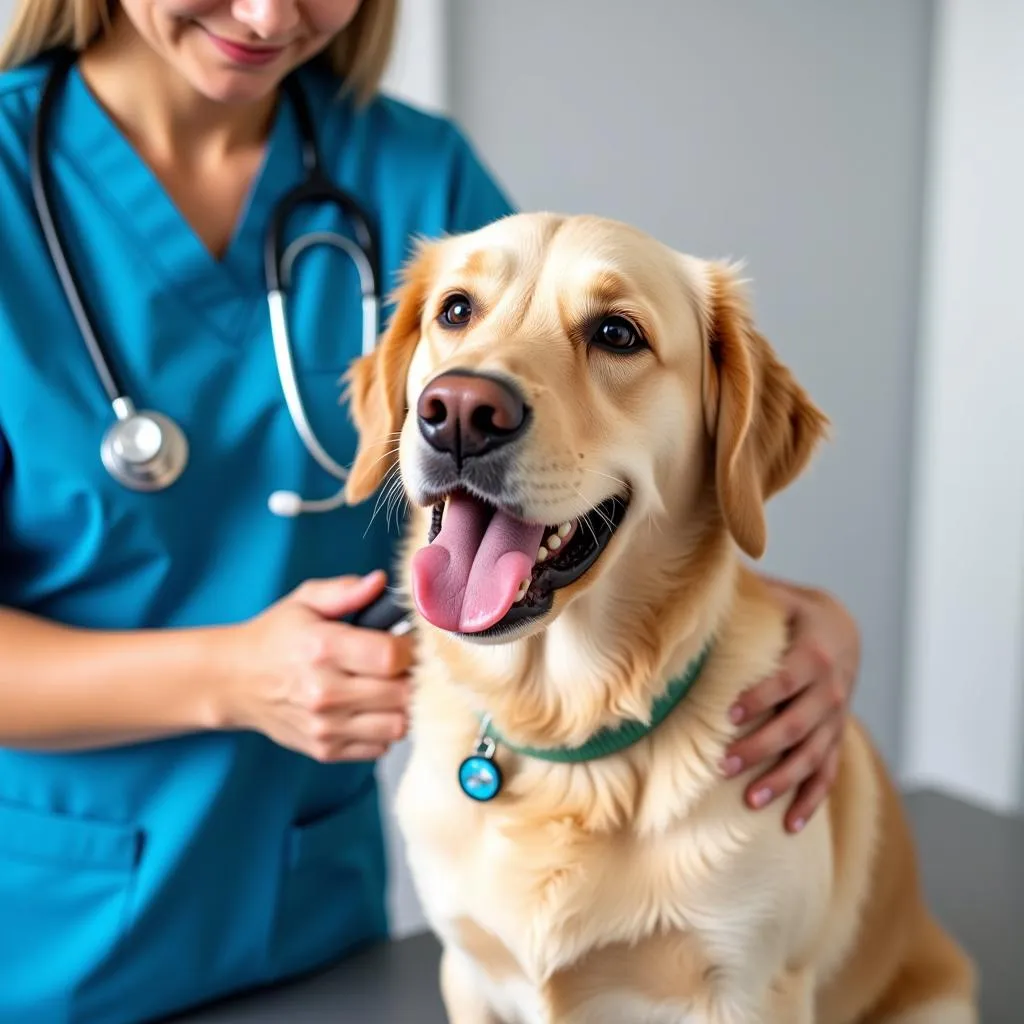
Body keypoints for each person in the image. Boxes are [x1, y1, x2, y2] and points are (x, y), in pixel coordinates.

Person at [0, 1, 862, 1020]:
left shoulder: (411, 168)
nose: (270, 14)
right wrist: (233, 678)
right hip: (49, 934)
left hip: (312, 915)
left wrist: (803, 621)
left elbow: (568, 460)